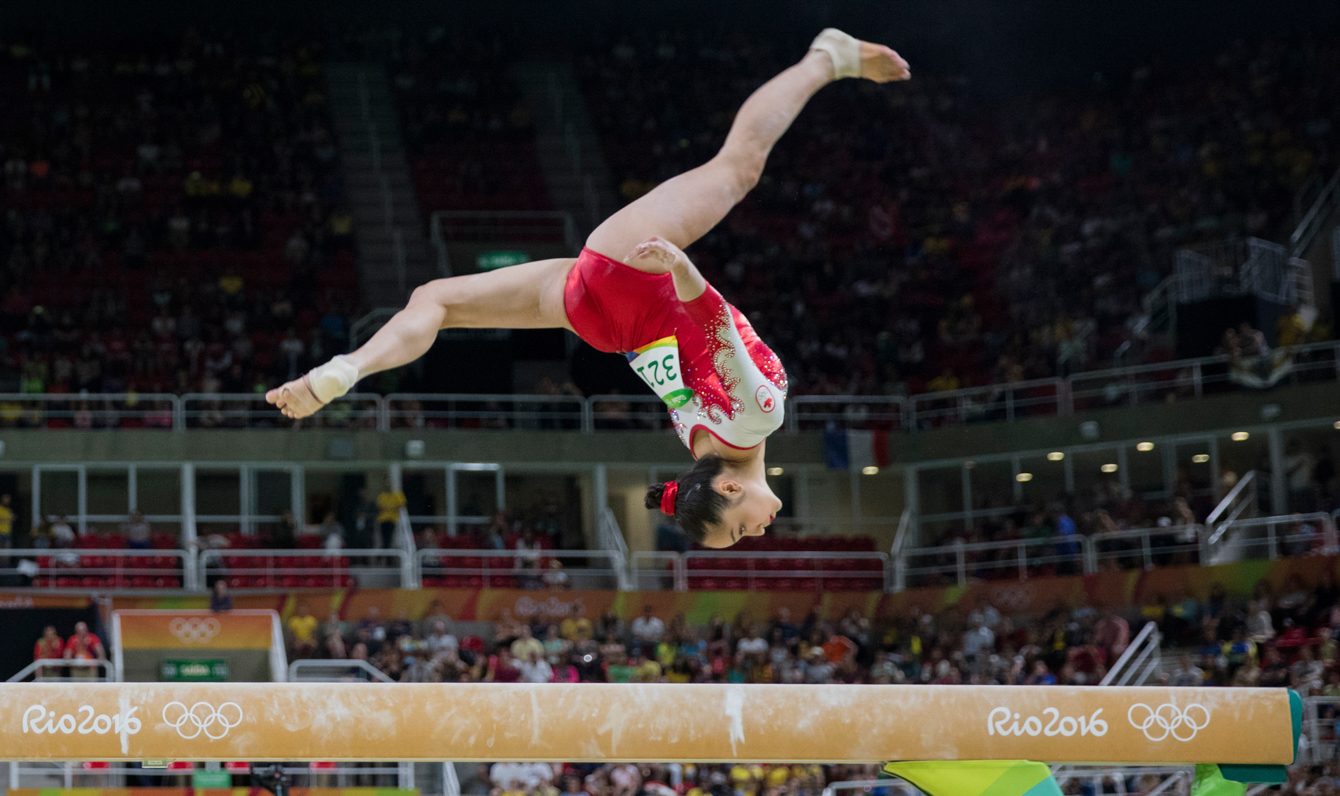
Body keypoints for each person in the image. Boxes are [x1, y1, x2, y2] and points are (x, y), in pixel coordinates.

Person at [266, 30, 909, 549]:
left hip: (639, 278)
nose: (758, 532)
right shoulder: (698, 445)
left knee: (735, 170)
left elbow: (716, 327)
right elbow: (697, 361)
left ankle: (829, 56)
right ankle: (347, 369)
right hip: (598, 321)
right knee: (439, 298)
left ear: (733, 491)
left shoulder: (757, 418)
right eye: (741, 538)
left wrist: (683, 273)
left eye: (739, 530)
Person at [375, 478, 407, 552]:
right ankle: (386, 554)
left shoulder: (397, 495)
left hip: (392, 520)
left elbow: (401, 505)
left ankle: (388, 554)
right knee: (383, 538)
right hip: (383, 519)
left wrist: (388, 508)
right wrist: (392, 508)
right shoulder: (382, 495)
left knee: (390, 538)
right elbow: (379, 507)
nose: (389, 486)